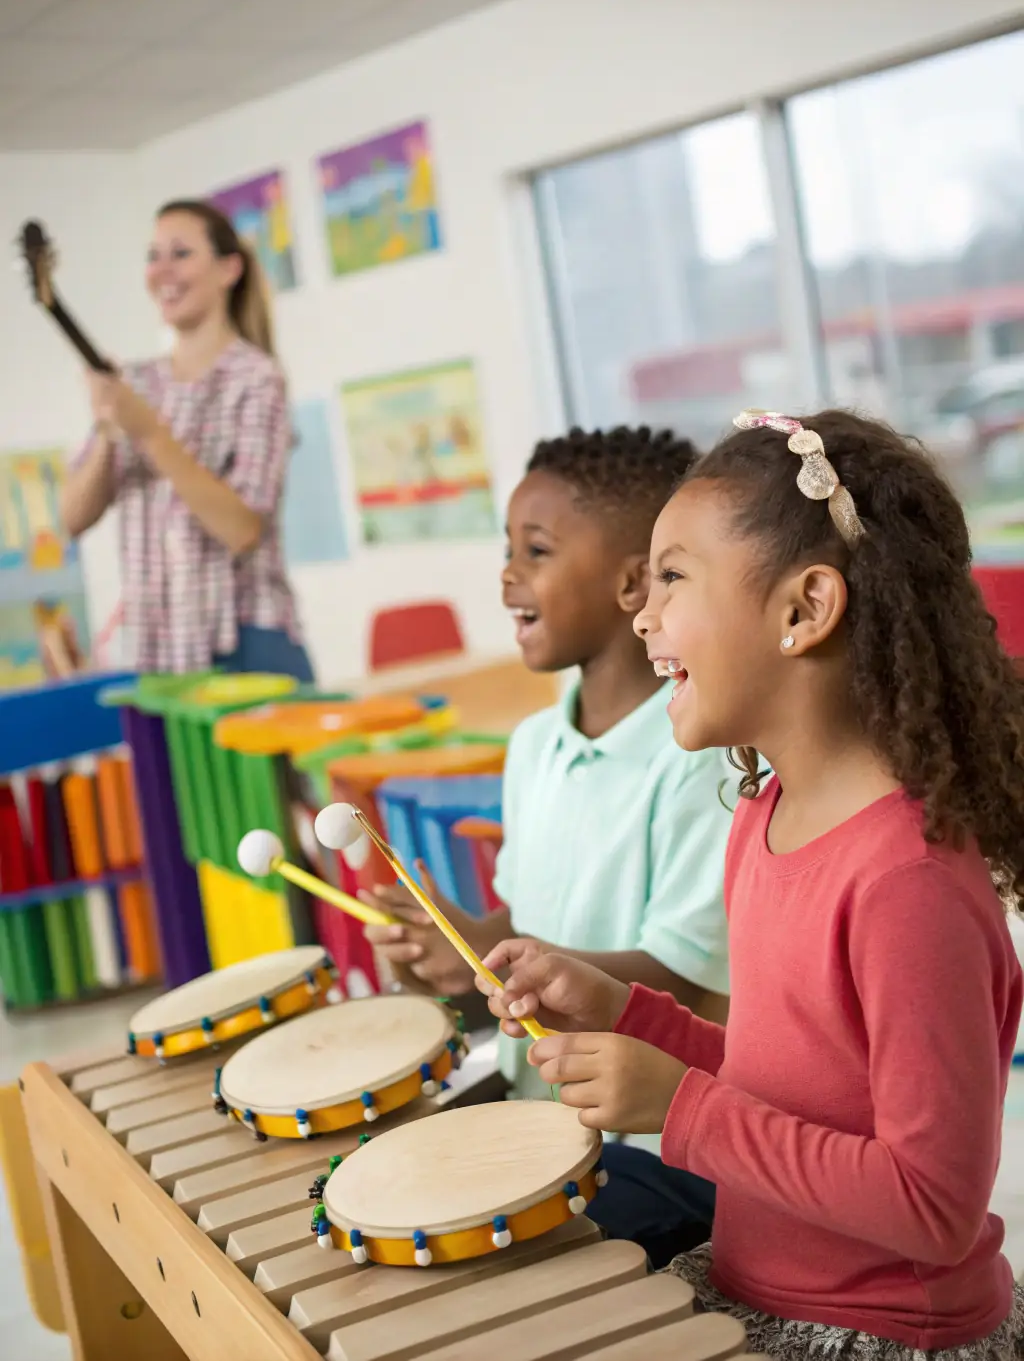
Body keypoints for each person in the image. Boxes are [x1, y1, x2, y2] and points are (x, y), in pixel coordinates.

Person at [478, 407, 1024, 1360]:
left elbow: (931, 1205)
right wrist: (621, 1009)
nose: (644, 613)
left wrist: (681, 1109)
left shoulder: (910, 883)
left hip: (888, 1333)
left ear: (804, 610)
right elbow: (783, 1082)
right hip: (754, 1285)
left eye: (674, 577)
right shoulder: (758, 817)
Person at [366, 426, 733, 1263]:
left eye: (535, 551)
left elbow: (682, 978)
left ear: (632, 581)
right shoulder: (535, 744)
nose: (507, 574)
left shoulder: (700, 757)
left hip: (650, 1138)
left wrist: (496, 958)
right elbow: (524, 918)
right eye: (508, 548)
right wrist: (452, 943)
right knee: (370, 1199)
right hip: (539, 1115)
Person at [60, 200, 312, 680]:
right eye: (153, 256)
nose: (162, 270)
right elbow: (72, 518)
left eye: (181, 253)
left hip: (244, 642)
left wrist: (150, 432)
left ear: (228, 269)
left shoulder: (256, 379)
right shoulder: (134, 383)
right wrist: (112, 429)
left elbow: (242, 529)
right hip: (160, 657)